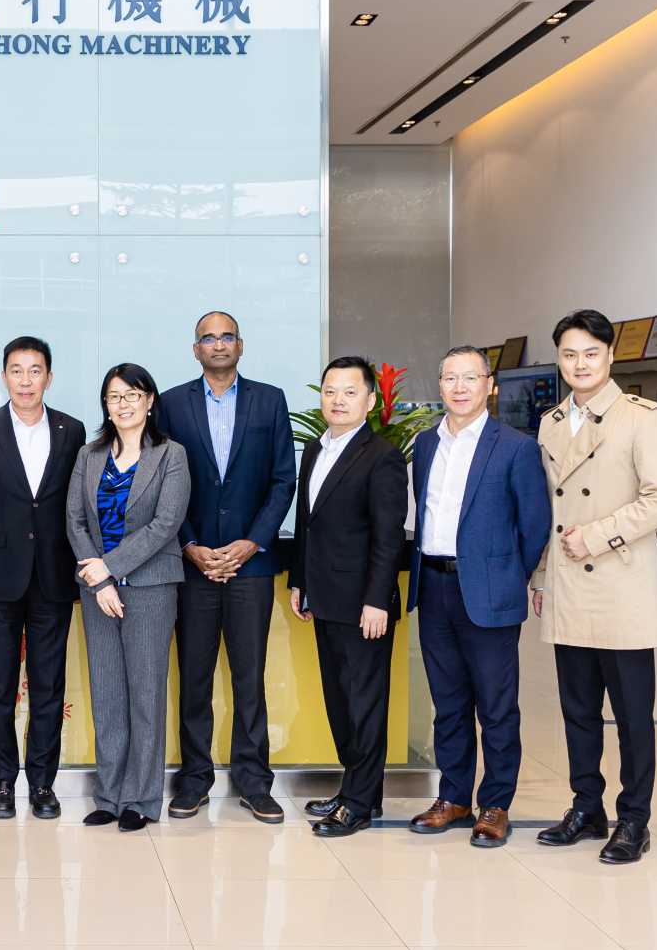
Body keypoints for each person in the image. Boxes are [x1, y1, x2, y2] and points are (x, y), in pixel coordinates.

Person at [533, 309, 657, 866]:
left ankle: (634, 819)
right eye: (569, 354)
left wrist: (596, 537)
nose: (580, 364)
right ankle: (586, 807)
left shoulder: (642, 418)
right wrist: (542, 576)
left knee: (633, 715)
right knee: (577, 709)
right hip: (568, 585)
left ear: (610, 356)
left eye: (591, 353)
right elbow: (548, 511)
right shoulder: (550, 423)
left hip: (620, 582)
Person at [406, 346, 551, 849]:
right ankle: (453, 797)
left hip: (490, 591)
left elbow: (534, 525)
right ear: (440, 386)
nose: (460, 387)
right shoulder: (426, 444)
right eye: (450, 378)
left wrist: (508, 576)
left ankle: (495, 804)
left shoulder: (515, 447)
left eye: (471, 378)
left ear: (490, 386)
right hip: (434, 586)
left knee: (496, 706)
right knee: (447, 703)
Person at [161, 311, 296, 823]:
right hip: (192, 567)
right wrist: (189, 544)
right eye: (208, 338)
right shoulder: (172, 404)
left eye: (226, 336)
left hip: (250, 568)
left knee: (249, 678)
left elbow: (283, 479)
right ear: (195, 348)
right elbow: (162, 482)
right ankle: (194, 779)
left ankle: (253, 781)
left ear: (241, 345)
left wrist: (252, 542)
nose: (218, 344)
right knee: (193, 679)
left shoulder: (270, 400)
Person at [0, 337, 86, 820]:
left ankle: (43, 783)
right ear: (4, 376)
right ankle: (3, 782)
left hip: (53, 575)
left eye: (35, 371)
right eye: (16, 370)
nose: (26, 380)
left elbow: (77, 506)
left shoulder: (72, 430)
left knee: (49, 686)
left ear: (49, 377)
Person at [66, 363, 192, 832]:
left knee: (145, 695)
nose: (123, 405)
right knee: (107, 695)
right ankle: (109, 794)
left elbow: (166, 523)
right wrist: (100, 581)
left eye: (132, 395)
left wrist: (111, 567)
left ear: (150, 401)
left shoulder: (171, 454)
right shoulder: (89, 454)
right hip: (97, 592)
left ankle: (141, 798)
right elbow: (75, 521)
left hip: (151, 588)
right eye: (114, 397)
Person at [290, 357, 409, 838]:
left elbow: (388, 537)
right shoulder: (314, 450)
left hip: (364, 604)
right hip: (324, 597)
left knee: (364, 704)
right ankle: (357, 789)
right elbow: (307, 524)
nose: (338, 400)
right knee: (340, 701)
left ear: (370, 400)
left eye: (349, 392)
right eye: (330, 391)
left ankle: (358, 804)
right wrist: (299, 581)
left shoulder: (382, 456)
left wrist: (378, 600)